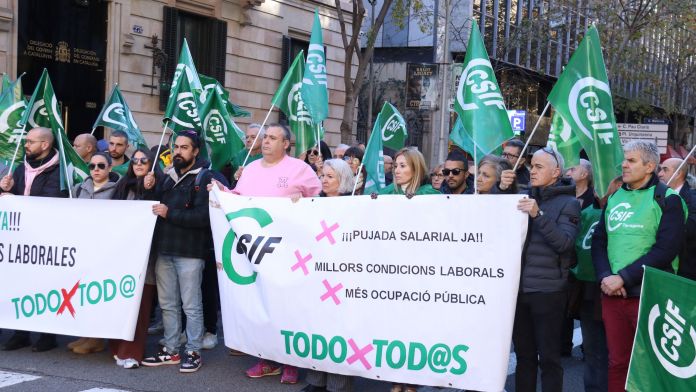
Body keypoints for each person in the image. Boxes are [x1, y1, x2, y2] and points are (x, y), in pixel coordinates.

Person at [213, 123, 321, 384]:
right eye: (265, 138)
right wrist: (221, 193)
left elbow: (322, 199)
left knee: (287, 306)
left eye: (273, 138)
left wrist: (303, 201)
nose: (266, 142)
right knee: (262, 302)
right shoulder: (249, 169)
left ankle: (291, 362)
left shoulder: (300, 169)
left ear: (286, 144)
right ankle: (266, 358)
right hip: (256, 252)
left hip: (288, 252)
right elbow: (237, 200)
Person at [592, 141, 686, 392]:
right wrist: (605, 277)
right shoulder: (615, 196)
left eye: (631, 160)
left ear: (650, 167)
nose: (623, 164)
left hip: (651, 296)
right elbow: (600, 240)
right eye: (624, 159)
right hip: (612, 294)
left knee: (651, 366)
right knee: (617, 363)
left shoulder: (669, 199)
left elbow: (665, 250)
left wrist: (623, 278)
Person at [141, 130, 214, 373]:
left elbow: (204, 217)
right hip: (165, 249)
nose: (178, 152)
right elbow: (153, 208)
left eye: (184, 147)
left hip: (190, 252)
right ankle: (171, 349)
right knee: (168, 304)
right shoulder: (167, 176)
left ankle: (193, 350)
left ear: (195, 151)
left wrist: (169, 213)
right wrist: (149, 188)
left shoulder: (204, 178)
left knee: (191, 305)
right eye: (176, 147)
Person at [512, 147, 580, 392]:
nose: (533, 171)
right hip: (518, 290)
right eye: (532, 166)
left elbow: (564, 243)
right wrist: (502, 188)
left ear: (556, 172)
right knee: (524, 357)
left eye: (540, 167)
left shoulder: (569, 203)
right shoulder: (522, 196)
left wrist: (537, 214)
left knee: (549, 359)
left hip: (548, 291)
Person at [0, 127, 66, 352]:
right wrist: (4, 189)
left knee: (45, 287)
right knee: (20, 285)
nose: (26, 145)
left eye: (30, 141)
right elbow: (10, 198)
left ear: (45, 145)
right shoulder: (20, 168)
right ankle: (21, 334)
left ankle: (48, 336)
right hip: (20, 239)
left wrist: (16, 200)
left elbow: (51, 200)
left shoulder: (59, 170)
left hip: (46, 239)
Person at [301, 159, 355, 392]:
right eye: (322, 175)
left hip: (342, 278)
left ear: (342, 180)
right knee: (316, 327)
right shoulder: (313, 204)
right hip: (316, 276)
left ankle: (338, 384)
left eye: (330, 176)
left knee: (338, 331)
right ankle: (316, 381)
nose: (323, 180)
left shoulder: (354, 207)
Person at [109, 148, 160, 369]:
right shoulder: (122, 186)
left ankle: (132, 352)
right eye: (135, 161)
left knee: (141, 306)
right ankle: (116, 348)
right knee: (119, 302)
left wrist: (149, 189)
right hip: (122, 254)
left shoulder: (160, 185)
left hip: (147, 255)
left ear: (151, 165)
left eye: (144, 161)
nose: (138, 164)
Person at [67, 152, 121, 354]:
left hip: (105, 250)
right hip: (83, 247)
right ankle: (87, 334)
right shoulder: (80, 187)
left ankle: (97, 338)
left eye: (100, 166)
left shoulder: (118, 189)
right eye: (92, 166)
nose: (96, 170)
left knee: (96, 294)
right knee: (82, 291)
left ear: (109, 168)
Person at [566, 160, 609, 392]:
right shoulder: (588, 212)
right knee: (594, 349)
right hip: (587, 286)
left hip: (617, 287)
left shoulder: (619, 213)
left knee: (612, 351)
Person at [658, 158, 696, 280]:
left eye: (665, 169)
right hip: (657, 268)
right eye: (660, 169)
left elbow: (689, 230)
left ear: (678, 173)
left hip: (685, 272)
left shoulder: (693, 200)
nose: (660, 174)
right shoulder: (655, 196)